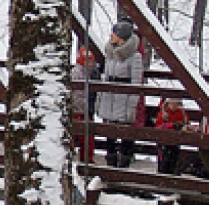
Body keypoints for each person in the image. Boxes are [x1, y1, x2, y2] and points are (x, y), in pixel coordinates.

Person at [97, 20, 144, 168]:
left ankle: (123, 163)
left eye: (115, 33)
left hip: (123, 98)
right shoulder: (110, 53)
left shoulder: (134, 57)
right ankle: (110, 161)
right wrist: (100, 97)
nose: (111, 36)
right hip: (109, 96)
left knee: (125, 132)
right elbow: (105, 77)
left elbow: (136, 83)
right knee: (109, 132)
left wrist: (131, 106)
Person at [71, 47, 101, 163]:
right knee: (76, 134)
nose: (90, 64)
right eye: (88, 61)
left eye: (92, 61)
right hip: (77, 109)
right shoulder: (77, 73)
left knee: (87, 136)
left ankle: (87, 158)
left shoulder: (92, 73)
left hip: (85, 109)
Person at [155, 97, 188, 174]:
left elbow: (186, 123)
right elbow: (158, 127)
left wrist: (183, 127)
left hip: (176, 141)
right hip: (164, 141)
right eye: (172, 104)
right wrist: (172, 125)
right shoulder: (164, 113)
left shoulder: (181, 113)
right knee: (164, 160)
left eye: (176, 104)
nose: (174, 106)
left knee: (174, 158)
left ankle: (172, 175)